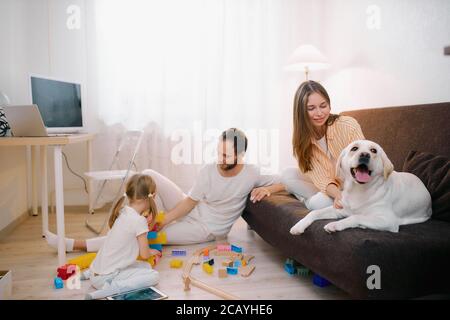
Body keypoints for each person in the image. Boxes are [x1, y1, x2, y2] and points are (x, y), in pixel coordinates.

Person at [45, 128, 284, 251]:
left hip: (206, 230)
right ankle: (129, 221)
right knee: (148, 175)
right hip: (192, 208)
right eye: (218, 152)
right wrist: (161, 218)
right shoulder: (208, 170)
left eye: (226, 155)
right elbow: (189, 201)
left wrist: (270, 189)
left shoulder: (251, 173)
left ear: (240, 155)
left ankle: (77, 244)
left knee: (144, 237)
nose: (220, 158)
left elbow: (284, 180)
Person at [281, 80, 365, 210]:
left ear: (329, 105)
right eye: (311, 108)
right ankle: (313, 200)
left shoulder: (348, 125)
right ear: (301, 112)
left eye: (323, 105)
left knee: (317, 204)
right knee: (287, 174)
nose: (319, 113)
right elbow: (321, 179)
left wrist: (345, 195)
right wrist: (337, 195)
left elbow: (363, 164)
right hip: (331, 187)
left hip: (354, 187)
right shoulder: (301, 142)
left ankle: (307, 201)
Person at [83, 174, 161, 300]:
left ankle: (88, 274)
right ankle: (113, 288)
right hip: (105, 279)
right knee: (153, 275)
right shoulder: (138, 221)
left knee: (145, 266)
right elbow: (145, 254)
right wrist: (152, 251)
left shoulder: (124, 212)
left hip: (96, 273)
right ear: (150, 198)